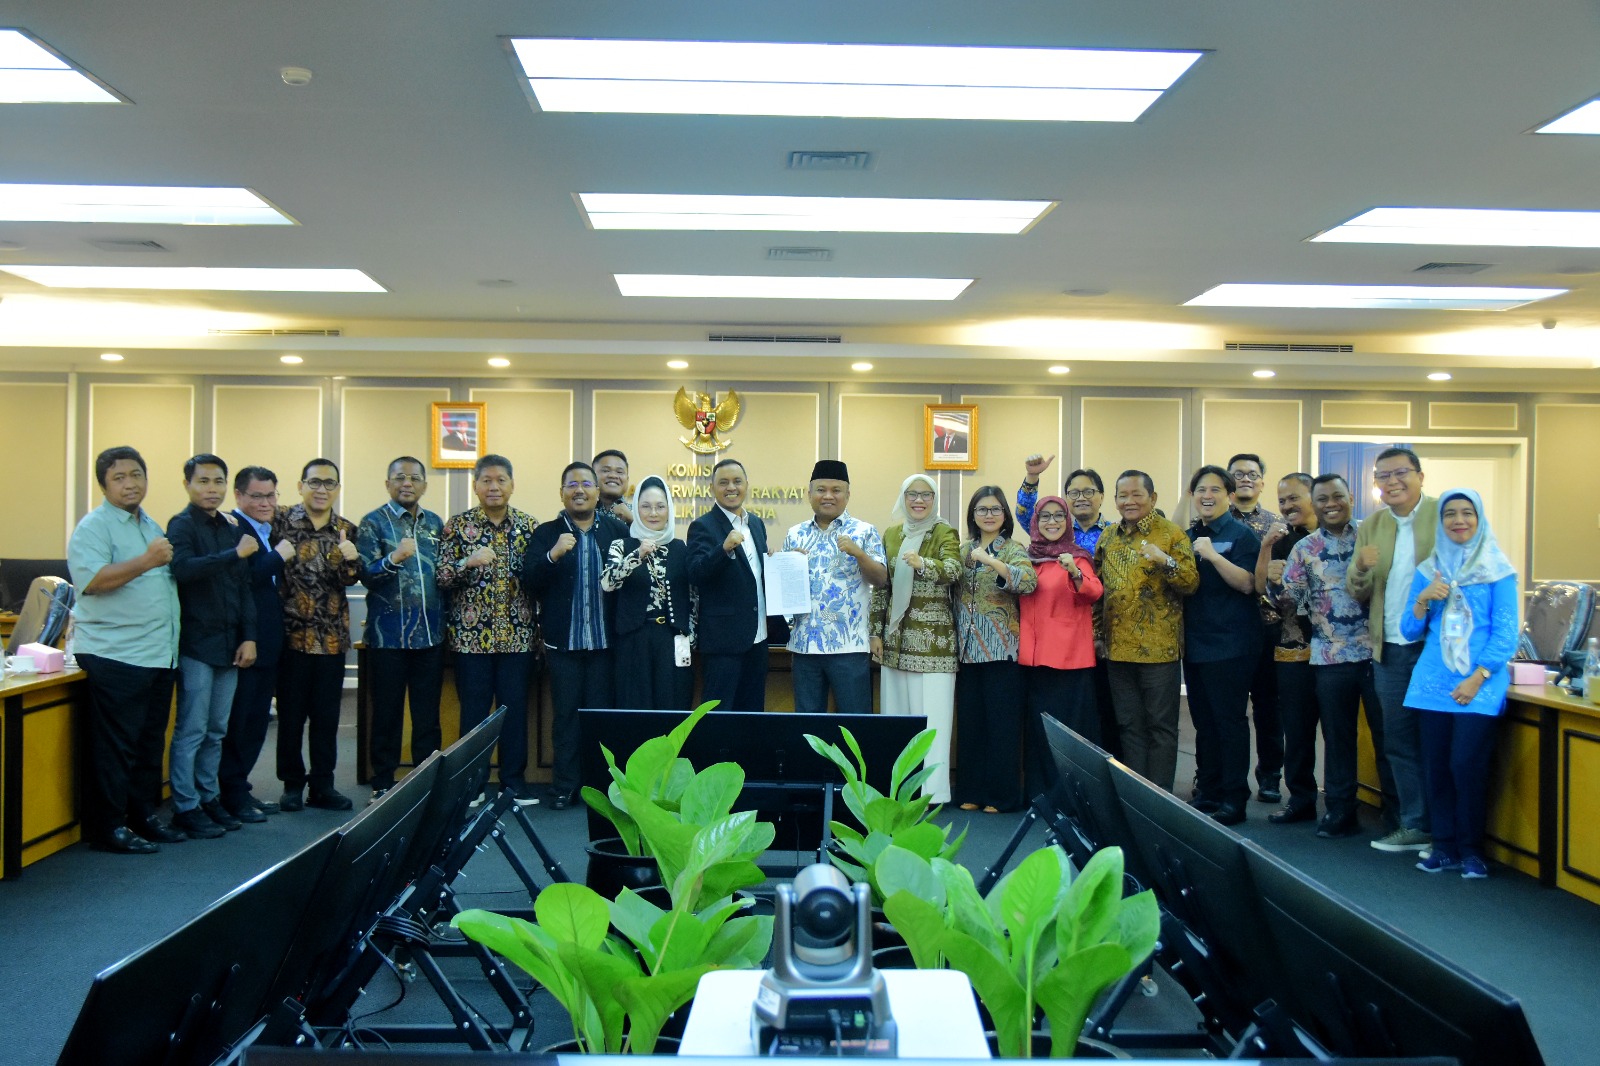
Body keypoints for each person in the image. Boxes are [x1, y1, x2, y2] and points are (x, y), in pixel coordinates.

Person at [67, 446, 182, 853]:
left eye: (137, 474)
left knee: (149, 744)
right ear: (104, 485)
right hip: (116, 654)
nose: (130, 483)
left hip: (156, 653)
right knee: (116, 748)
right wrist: (147, 561)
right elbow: (93, 581)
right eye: (119, 477)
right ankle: (108, 827)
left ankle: (142, 816)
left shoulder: (148, 523)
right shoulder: (94, 527)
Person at [1402, 489, 1518, 880]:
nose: (1458, 520)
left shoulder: (1498, 570)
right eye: (1450, 514)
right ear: (1441, 521)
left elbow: (1505, 635)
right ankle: (1444, 847)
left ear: (1479, 518)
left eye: (1467, 513)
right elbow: (1409, 628)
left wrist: (1477, 678)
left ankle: (1471, 850)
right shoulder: (1429, 569)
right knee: (1435, 769)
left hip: (1479, 684)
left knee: (1465, 766)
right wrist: (1422, 600)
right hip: (1432, 683)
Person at [1273, 474, 1396, 838]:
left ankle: (1399, 815)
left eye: (1337, 496)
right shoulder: (1305, 548)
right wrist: (1275, 584)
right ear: (1314, 502)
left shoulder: (1372, 537)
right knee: (1338, 739)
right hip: (1329, 657)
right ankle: (1341, 811)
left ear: (1352, 497)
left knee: (1387, 738)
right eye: (1322, 498)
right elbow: (1287, 600)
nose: (1330, 504)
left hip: (1378, 655)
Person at [1347, 446, 1439, 854]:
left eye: (1400, 473)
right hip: (1391, 649)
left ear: (1420, 475)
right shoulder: (1373, 525)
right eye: (1382, 476)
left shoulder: (1444, 514)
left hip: (1436, 648)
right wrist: (1362, 566)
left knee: (1438, 739)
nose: (1391, 482)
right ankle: (1416, 824)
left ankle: (1450, 829)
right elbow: (1356, 589)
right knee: (1399, 740)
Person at [436, 454, 540, 804]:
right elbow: (442, 577)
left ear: (512, 484)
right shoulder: (457, 525)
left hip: (518, 638)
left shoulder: (530, 527)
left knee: (513, 714)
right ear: (476, 485)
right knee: (474, 717)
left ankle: (513, 783)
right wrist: (468, 562)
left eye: (501, 480)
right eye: (486, 481)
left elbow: (541, 580)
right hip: (471, 642)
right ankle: (473, 785)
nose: (494, 486)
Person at [165, 453, 257, 838]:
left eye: (218, 482)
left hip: (230, 643)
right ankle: (185, 805)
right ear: (187, 484)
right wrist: (232, 554)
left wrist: (249, 636)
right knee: (192, 729)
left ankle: (208, 797)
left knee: (217, 729)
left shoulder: (231, 526)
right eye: (203, 481)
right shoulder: (181, 525)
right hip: (196, 643)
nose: (211, 489)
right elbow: (183, 569)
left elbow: (243, 587)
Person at [525, 461, 626, 808]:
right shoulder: (546, 533)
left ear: (598, 492)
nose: (579, 490)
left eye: (586, 484)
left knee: (600, 718)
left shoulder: (615, 531)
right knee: (565, 716)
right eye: (572, 485)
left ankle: (599, 787)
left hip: (604, 643)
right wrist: (553, 556)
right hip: (563, 642)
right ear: (562, 492)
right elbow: (529, 580)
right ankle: (564, 786)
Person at [1094, 470, 1198, 792]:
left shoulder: (1171, 534)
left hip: (1159, 650)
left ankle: (1160, 798)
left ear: (1152, 498)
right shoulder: (1108, 536)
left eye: (1136, 494)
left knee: (1161, 727)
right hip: (1117, 649)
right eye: (1122, 495)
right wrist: (1098, 635)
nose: (1129, 501)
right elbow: (1099, 591)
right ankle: (1136, 794)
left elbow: (1191, 583)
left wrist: (1166, 561)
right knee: (1129, 726)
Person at [357, 456, 445, 803]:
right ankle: (382, 781)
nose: (407, 483)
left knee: (427, 715)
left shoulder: (436, 523)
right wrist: (393, 558)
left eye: (414, 478)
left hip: (430, 637)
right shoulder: (373, 523)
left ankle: (426, 779)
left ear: (424, 485)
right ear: (388, 484)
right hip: (387, 637)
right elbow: (364, 573)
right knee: (387, 714)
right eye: (399, 478)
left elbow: (444, 578)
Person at [275, 457, 361, 812]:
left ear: (337, 489)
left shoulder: (346, 529)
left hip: (330, 641)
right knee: (291, 717)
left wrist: (351, 561)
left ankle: (323, 785)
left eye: (329, 483)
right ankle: (292, 785)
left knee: (326, 719)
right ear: (300, 486)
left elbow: (350, 581)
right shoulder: (280, 521)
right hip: (290, 637)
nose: (321, 489)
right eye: (314, 482)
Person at [871, 474, 961, 802]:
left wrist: (924, 563)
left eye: (926, 495)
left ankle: (932, 794)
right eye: (912, 494)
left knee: (932, 722)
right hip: (895, 641)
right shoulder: (892, 535)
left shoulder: (944, 532)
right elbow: (882, 587)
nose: (919, 500)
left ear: (934, 499)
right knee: (898, 719)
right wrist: (875, 633)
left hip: (934, 644)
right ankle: (899, 791)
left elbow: (954, 570)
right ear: (903, 497)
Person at [1182, 465, 1264, 825]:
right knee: (1204, 722)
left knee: (1229, 721)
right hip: (1196, 644)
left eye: (1215, 490)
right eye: (1200, 490)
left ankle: (1235, 797)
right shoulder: (1186, 537)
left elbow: (1249, 584)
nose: (1207, 496)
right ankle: (1209, 790)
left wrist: (1213, 555)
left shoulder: (1242, 536)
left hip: (1232, 644)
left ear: (1230, 496)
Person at [953, 487, 1038, 813]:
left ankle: (1001, 796)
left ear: (1004, 515)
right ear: (973, 515)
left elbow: (1028, 582)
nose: (988, 515)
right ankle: (971, 791)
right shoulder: (962, 550)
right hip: (968, 651)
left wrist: (993, 562)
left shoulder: (1013, 549)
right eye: (981, 509)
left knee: (1002, 726)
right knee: (971, 725)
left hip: (1002, 650)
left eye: (995, 509)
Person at [782, 460, 888, 715]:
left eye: (836, 490)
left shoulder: (864, 531)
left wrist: (859, 554)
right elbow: (784, 592)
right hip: (804, 645)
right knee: (807, 725)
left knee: (854, 723)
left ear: (848, 495)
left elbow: (881, 579)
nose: (828, 496)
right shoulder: (794, 534)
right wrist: (783, 563)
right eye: (821, 489)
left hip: (849, 648)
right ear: (809, 494)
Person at [218, 465, 291, 821]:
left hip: (268, 642)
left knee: (257, 719)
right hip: (247, 642)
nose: (266, 503)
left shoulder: (264, 529)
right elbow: (244, 578)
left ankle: (241, 788)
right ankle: (231, 793)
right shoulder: (235, 529)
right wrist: (278, 556)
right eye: (257, 496)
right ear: (239, 496)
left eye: (271, 495)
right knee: (241, 721)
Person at [1018, 495, 1103, 797]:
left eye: (1058, 516)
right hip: (1034, 659)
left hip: (1069, 660)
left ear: (1067, 522)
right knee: (1039, 732)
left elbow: (1093, 592)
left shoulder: (1076, 556)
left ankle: (1071, 797)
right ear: (1036, 522)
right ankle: (1040, 795)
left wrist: (1075, 572)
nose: (1052, 522)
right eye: (1045, 516)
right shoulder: (1027, 557)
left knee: (1069, 734)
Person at [1254, 473, 1320, 824]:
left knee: (1340, 732)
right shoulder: (1281, 541)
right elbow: (1263, 590)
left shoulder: (1341, 536)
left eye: (1295, 498)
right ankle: (1301, 799)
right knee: (1295, 729)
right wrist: (1270, 567)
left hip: (1339, 651)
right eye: (1283, 501)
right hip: (1292, 647)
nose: (1288, 506)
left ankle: (1343, 802)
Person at [602, 474, 696, 710]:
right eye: (645, 506)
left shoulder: (680, 548)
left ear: (669, 510)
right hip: (634, 639)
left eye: (660, 506)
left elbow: (693, 596)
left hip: (672, 639)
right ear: (636, 509)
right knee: (635, 708)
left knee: (672, 707)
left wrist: (690, 636)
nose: (653, 513)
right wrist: (637, 556)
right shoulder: (622, 545)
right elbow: (607, 583)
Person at [688, 458, 773, 712]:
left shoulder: (755, 524)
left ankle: (749, 755)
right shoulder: (702, 526)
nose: (731, 487)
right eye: (723, 482)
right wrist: (723, 549)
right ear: (712, 488)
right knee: (719, 715)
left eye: (737, 481)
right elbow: (695, 573)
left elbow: (755, 577)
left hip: (758, 639)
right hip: (724, 642)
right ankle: (716, 755)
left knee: (753, 713)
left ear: (747, 485)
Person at [1227, 452, 1285, 804]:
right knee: (1230, 709)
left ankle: (1270, 776)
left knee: (1268, 707)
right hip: (1229, 629)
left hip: (1269, 628)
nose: (1245, 479)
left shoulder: (1279, 525)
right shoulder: (1214, 520)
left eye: (1252, 474)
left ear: (1262, 482)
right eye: (1237, 474)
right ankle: (1224, 776)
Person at [593, 448, 633, 524]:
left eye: (619, 472)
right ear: (592, 477)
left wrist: (633, 521)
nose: (613, 476)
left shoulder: (639, 513)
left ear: (627, 480)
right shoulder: (583, 513)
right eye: (606, 471)